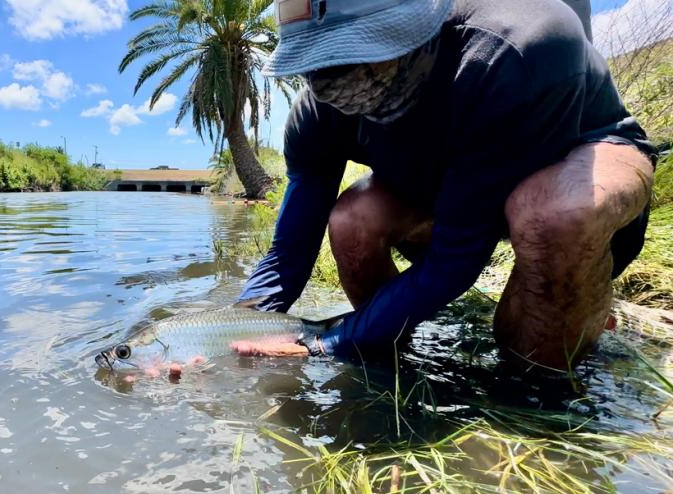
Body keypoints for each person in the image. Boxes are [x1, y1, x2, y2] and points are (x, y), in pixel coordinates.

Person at [231, 0, 656, 372]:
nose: (333, 81)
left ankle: (551, 373)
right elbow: (289, 252)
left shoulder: (519, 44)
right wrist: (229, 335)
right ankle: (388, 352)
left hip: (575, 156)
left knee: (552, 221)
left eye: (355, 52)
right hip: (448, 184)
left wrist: (328, 343)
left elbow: (457, 258)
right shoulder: (317, 114)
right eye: (315, 65)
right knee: (352, 222)